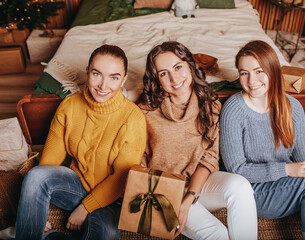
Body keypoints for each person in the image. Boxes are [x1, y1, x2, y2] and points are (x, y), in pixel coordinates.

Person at [220, 40, 305, 240]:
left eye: (259, 71)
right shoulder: (234, 110)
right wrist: (288, 169)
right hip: (253, 192)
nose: (252, 80)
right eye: (244, 73)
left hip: (288, 183)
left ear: (274, 71)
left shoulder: (292, 106)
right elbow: (237, 169)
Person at [15, 44, 147, 240]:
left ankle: (47, 237)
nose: (103, 86)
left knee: (107, 234)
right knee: (35, 176)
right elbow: (51, 158)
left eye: (114, 77)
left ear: (124, 80)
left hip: (113, 199)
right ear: (87, 71)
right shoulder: (69, 106)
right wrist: (38, 212)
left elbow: (121, 178)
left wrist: (86, 208)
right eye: (97, 74)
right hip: (76, 186)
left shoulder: (133, 119)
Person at [138, 41, 257, 240]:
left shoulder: (210, 105)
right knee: (218, 234)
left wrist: (190, 198)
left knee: (241, 187)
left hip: (197, 184)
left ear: (190, 66)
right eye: (163, 73)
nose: (174, 78)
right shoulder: (146, 111)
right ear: (157, 79)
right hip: (163, 190)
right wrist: (167, 197)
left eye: (178, 67)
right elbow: (137, 158)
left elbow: (209, 158)